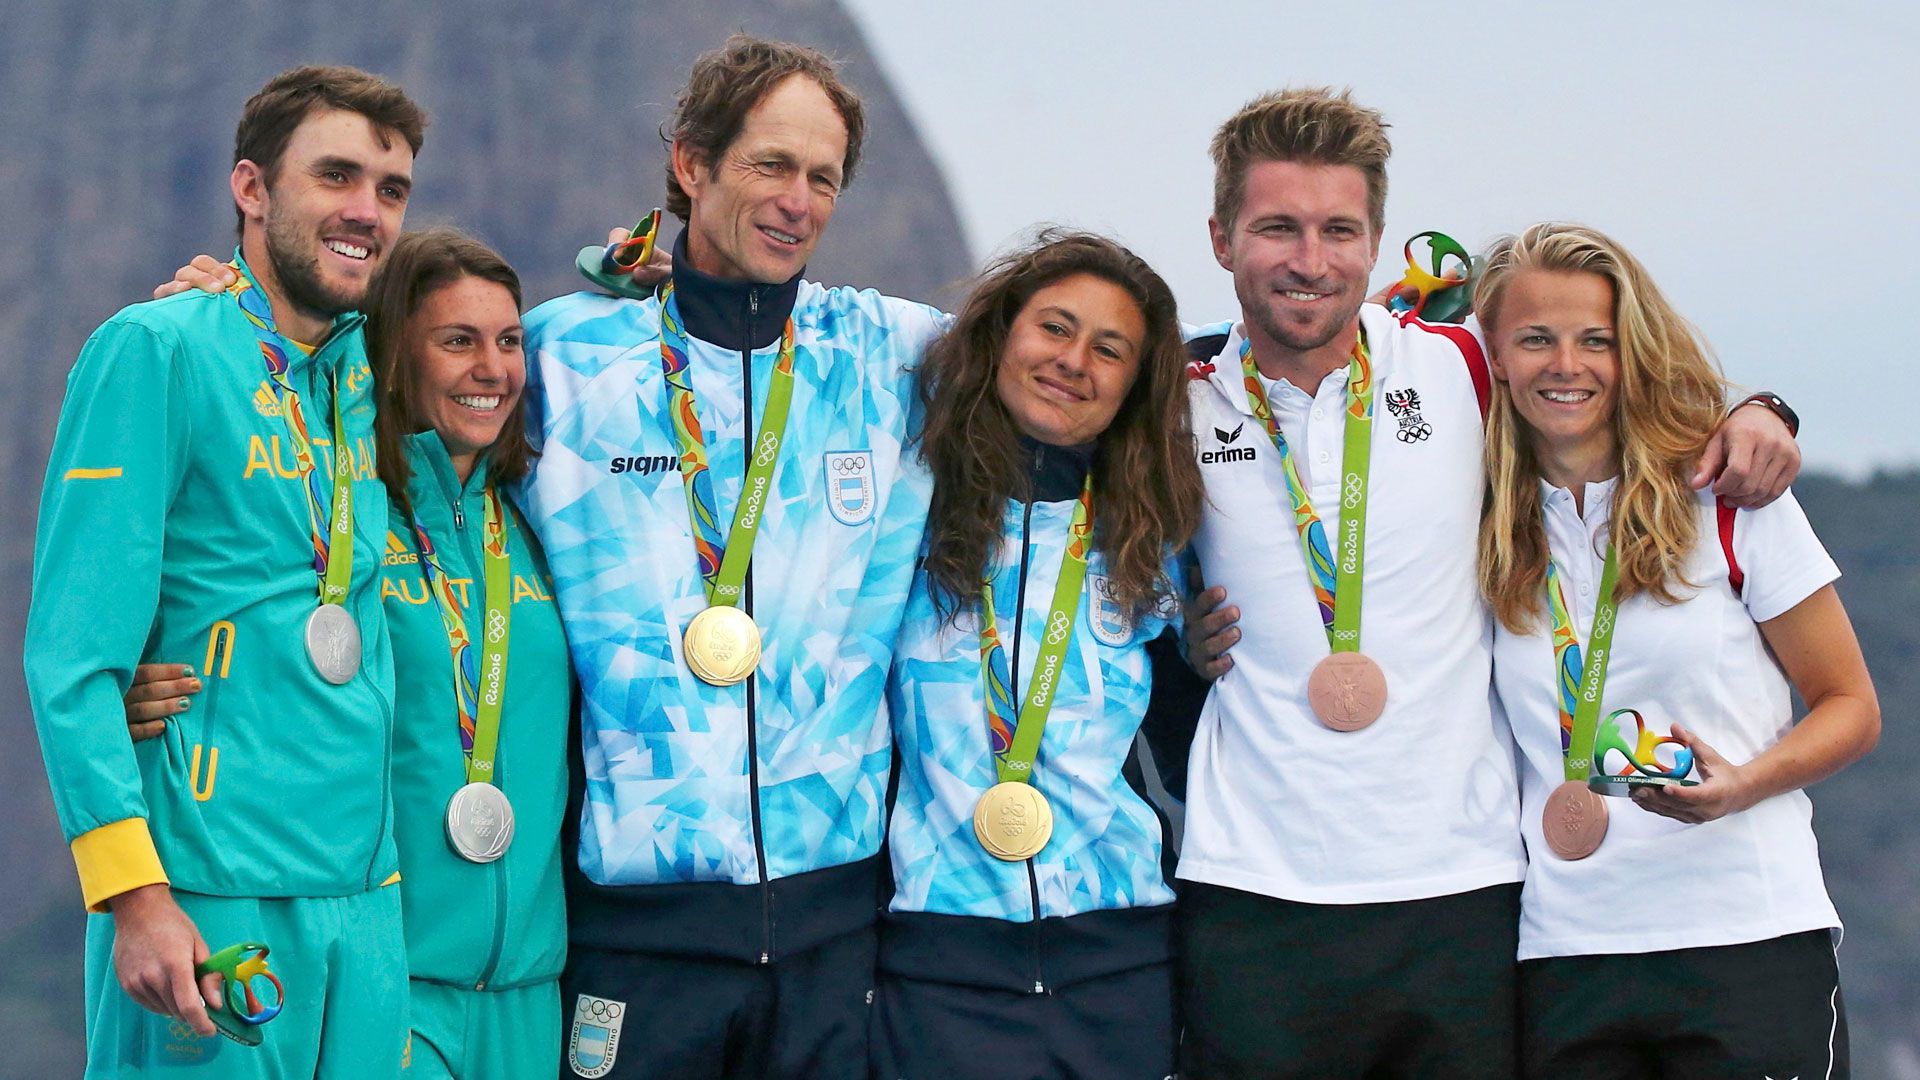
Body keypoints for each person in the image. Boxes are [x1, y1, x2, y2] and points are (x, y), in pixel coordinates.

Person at [1168, 88, 1803, 1078]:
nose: (1310, 258)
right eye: (1276, 228)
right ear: (1220, 238)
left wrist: (1760, 408)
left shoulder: (1463, 364)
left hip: (1462, 898)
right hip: (1250, 896)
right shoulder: (1177, 400)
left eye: (1340, 230)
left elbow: (1604, 371)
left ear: (1376, 243)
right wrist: (1182, 633)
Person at [516, 36, 946, 1079]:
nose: (797, 200)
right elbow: (355, 415)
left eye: (822, 178)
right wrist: (226, 302)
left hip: (833, 935)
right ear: (692, 165)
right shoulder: (559, 356)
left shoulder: (896, 357)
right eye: (770, 165)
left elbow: (1099, 350)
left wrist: (1367, 323)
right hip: (637, 930)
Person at [25, 66, 425, 1077]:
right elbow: (73, 660)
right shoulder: (154, 348)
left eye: (390, 189)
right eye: (336, 176)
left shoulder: (367, 376)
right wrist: (136, 899)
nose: (365, 212)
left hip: (367, 907)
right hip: (209, 895)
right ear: (252, 189)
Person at [128, 228, 576, 1079]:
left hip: (531, 998)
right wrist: (225, 315)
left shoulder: (537, 518)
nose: (494, 369)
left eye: (510, 341)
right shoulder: (343, 513)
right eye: (457, 341)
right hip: (391, 984)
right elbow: (227, 590)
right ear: (393, 356)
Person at [1473, 221, 1877, 1079]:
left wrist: (1740, 786)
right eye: (1536, 339)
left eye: (1596, 340)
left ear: (1634, 351)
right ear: (1496, 357)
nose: (1566, 365)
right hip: (1561, 953)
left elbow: (1851, 706)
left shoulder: (1729, 499)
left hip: (1744, 939)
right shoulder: (1475, 519)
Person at [874, 232, 1201, 1079]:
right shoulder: (899, 509)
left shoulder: (1155, 541)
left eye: (1109, 349)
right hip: (939, 965)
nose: (1073, 362)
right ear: (1002, 333)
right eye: (1055, 328)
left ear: (1135, 382)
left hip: (1119, 960)